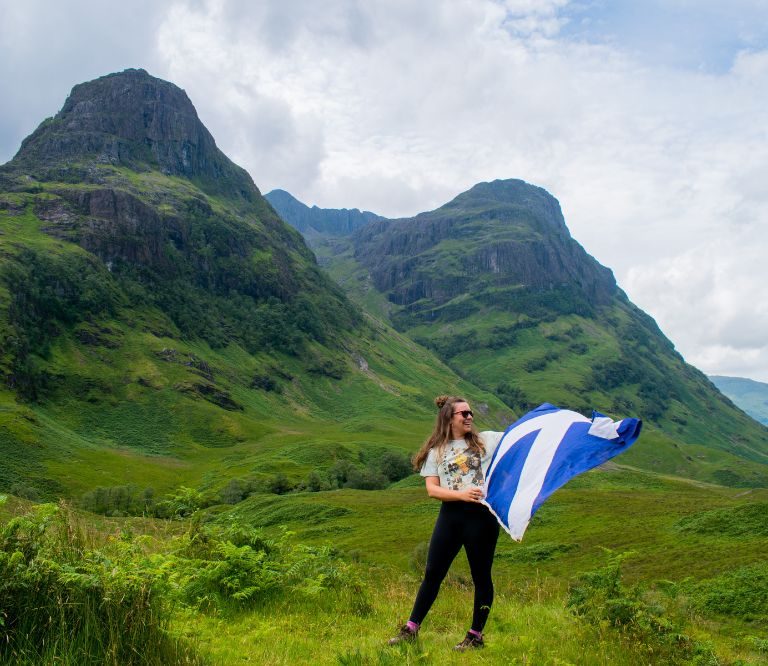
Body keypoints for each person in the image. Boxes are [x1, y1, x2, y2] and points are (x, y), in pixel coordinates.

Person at [388, 395, 504, 651]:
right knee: (432, 574)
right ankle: (411, 630)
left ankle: (475, 637)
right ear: (449, 419)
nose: (470, 417)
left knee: (481, 576)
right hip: (450, 518)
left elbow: (519, 438)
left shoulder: (487, 440)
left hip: (482, 519)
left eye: (471, 412)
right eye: (464, 414)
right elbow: (432, 489)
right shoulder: (437, 452)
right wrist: (461, 495)